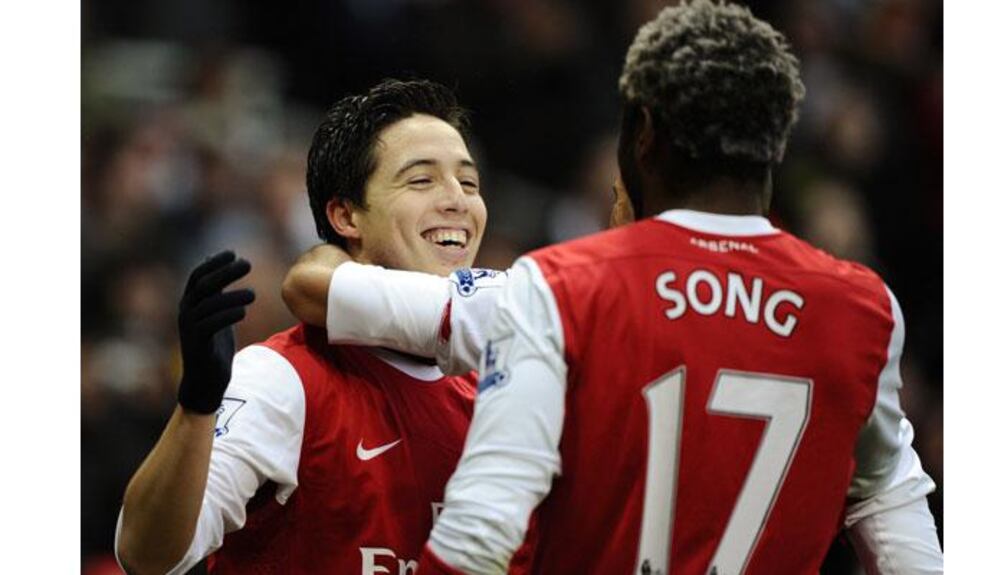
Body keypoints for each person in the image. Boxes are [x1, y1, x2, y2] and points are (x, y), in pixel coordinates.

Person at [282, 2, 943, 574]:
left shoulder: (558, 291)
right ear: (772, 149)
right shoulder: (862, 311)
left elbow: (477, 535)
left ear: (645, 138)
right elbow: (896, 515)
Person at [115, 78, 533, 575]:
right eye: (421, 180)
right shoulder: (282, 378)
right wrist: (196, 408)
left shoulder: (506, 388)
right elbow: (146, 556)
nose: (457, 201)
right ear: (345, 215)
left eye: (469, 183)